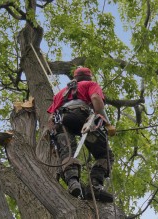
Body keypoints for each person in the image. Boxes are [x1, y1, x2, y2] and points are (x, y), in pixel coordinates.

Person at [47, 66, 115, 200]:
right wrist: (107, 123)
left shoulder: (60, 93)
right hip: (81, 119)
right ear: (88, 77)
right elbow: (95, 98)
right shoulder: (90, 84)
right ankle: (94, 186)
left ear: (75, 78)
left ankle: (73, 182)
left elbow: (50, 119)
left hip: (61, 122)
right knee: (105, 154)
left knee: (67, 151)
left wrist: (53, 136)